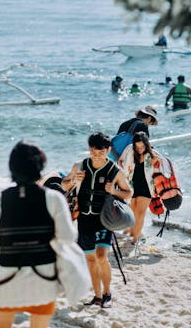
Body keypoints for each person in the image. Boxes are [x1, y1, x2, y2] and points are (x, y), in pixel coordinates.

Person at [0, 141, 77, 328]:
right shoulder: (54, 198)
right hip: (43, 278)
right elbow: (68, 238)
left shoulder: (1, 200)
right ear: (40, 167)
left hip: (9, 277)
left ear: (12, 168)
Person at [61, 132, 132, 309]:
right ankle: (97, 296)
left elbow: (128, 193)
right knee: (91, 259)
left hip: (104, 219)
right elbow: (64, 185)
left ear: (108, 150)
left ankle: (107, 293)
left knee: (101, 256)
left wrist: (114, 191)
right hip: (84, 219)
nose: (97, 156)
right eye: (93, 152)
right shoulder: (80, 166)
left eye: (101, 152)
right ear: (89, 149)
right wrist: (72, 181)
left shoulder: (115, 171)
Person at [118, 132, 161, 244]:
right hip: (132, 185)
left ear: (146, 144)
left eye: (142, 147)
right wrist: (122, 174)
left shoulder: (153, 153)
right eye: (137, 147)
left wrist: (156, 160)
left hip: (146, 187)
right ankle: (131, 232)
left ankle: (136, 238)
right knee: (132, 212)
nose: (139, 149)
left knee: (141, 213)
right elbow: (120, 160)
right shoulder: (129, 149)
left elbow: (162, 166)